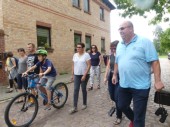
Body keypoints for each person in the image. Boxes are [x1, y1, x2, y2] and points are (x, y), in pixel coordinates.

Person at [112, 21, 164, 127]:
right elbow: (117, 61)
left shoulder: (144, 42)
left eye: (123, 28)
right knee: (121, 105)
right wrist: (114, 74)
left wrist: (158, 81)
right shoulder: (119, 45)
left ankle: (137, 122)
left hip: (141, 86)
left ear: (131, 28)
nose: (120, 31)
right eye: (119, 29)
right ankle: (134, 120)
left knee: (140, 116)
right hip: (124, 84)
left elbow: (155, 61)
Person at [104, 41, 122, 125]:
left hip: (119, 77)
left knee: (117, 97)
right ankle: (121, 105)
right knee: (112, 96)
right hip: (111, 76)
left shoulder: (122, 55)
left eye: (114, 48)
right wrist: (105, 77)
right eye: (111, 48)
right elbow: (108, 66)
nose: (113, 50)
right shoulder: (111, 56)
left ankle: (119, 116)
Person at [69, 43, 91, 114]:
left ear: (83, 48)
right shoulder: (75, 55)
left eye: (79, 47)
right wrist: (72, 75)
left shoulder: (86, 55)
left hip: (84, 75)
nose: (77, 48)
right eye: (77, 47)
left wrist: (84, 75)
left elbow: (89, 65)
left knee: (83, 89)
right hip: (76, 75)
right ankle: (74, 107)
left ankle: (84, 103)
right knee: (75, 90)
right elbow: (73, 65)